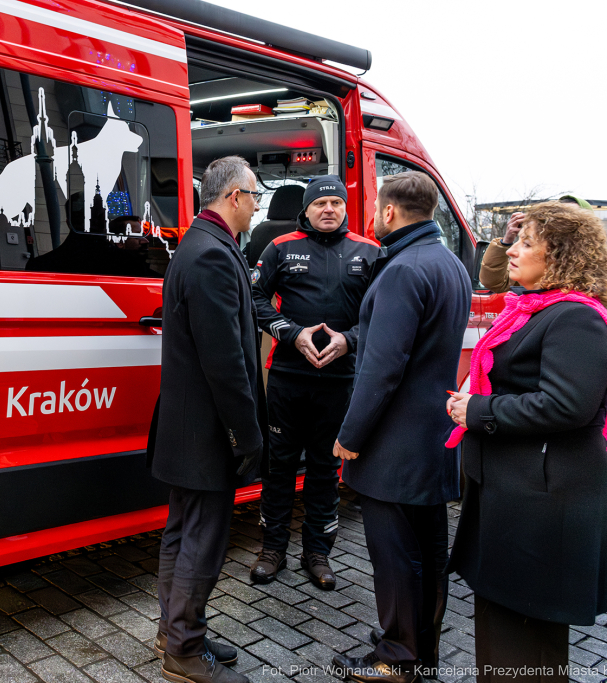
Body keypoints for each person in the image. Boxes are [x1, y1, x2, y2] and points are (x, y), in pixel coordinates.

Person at [445, 201, 607, 680]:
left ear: (561, 256)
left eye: (525, 242)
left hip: (542, 500)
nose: (511, 250)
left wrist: (479, 410)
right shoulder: (538, 310)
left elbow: (566, 406)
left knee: (525, 635)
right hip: (521, 492)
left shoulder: (575, 318)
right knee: (507, 622)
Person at [330, 171, 472, 683]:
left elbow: (381, 369)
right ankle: (421, 648)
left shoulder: (402, 270)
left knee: (393, 555)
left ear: (388, 213)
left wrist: (350, 436)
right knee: (429, 550)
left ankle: (396, 656)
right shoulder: (449, 263)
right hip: (434, 435)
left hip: (393, 443)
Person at [148, 155, 265, 683]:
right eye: (256, 194)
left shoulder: (199, 244)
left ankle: (175, 631)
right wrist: (247, 435)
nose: (259, 205)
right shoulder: (212, 255)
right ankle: (184, 651)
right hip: (207, 431)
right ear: (235, 197)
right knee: (201, 540)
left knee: (181, 532)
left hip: (187, 425)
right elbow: (227, 362)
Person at [248, 175, 379, 590]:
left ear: (344, 209)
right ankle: (272, 550)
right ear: (305, 209)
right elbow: (253, 300)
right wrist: (292, 332)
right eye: (320, 203)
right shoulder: (280, 247)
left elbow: (381, 314)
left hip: (340, 383)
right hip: (287, 378)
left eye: (335, 204)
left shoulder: (370, 252)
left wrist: (348, 340)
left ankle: (318, 554)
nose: (328, 209)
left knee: (325, 469)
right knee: (280, 466)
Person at [479, 195, 592, 293]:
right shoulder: (539, 263)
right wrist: (506, 241)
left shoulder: (593, 280)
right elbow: (495, 282)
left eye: (527, 244)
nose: (510, 251)